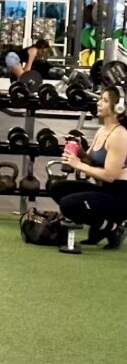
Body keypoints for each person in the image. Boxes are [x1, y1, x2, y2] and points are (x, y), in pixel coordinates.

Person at [49, 86, 127, 248]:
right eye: (100, 99)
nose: (99, 103)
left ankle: (113, 228)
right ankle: (104, 226)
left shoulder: (119, 135)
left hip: (121, 195)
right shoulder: (102, 131)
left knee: (68, 205)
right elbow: (91, 163)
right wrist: (80, 152)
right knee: (58, 189)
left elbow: (109, 175)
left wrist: (77, 164)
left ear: (118, 108)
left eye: (105, 101)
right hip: (107, 190)